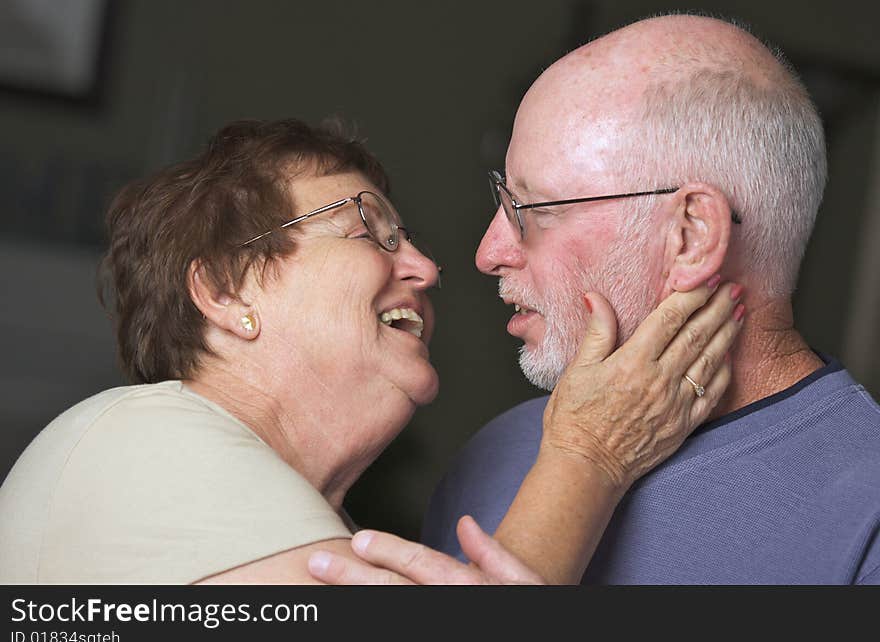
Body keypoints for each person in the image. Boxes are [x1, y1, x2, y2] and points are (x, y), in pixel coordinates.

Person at [0, 118, 742, 584]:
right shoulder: (137, 439)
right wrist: (588, 454)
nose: (428, 266)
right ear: (228, 289)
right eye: (373, 229)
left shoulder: (314, 538)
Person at [308, 14, 880, 585]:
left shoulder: (867, 513)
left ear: (690, 235)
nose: (488, 253)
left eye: (533, 211)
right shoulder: (499, 455)